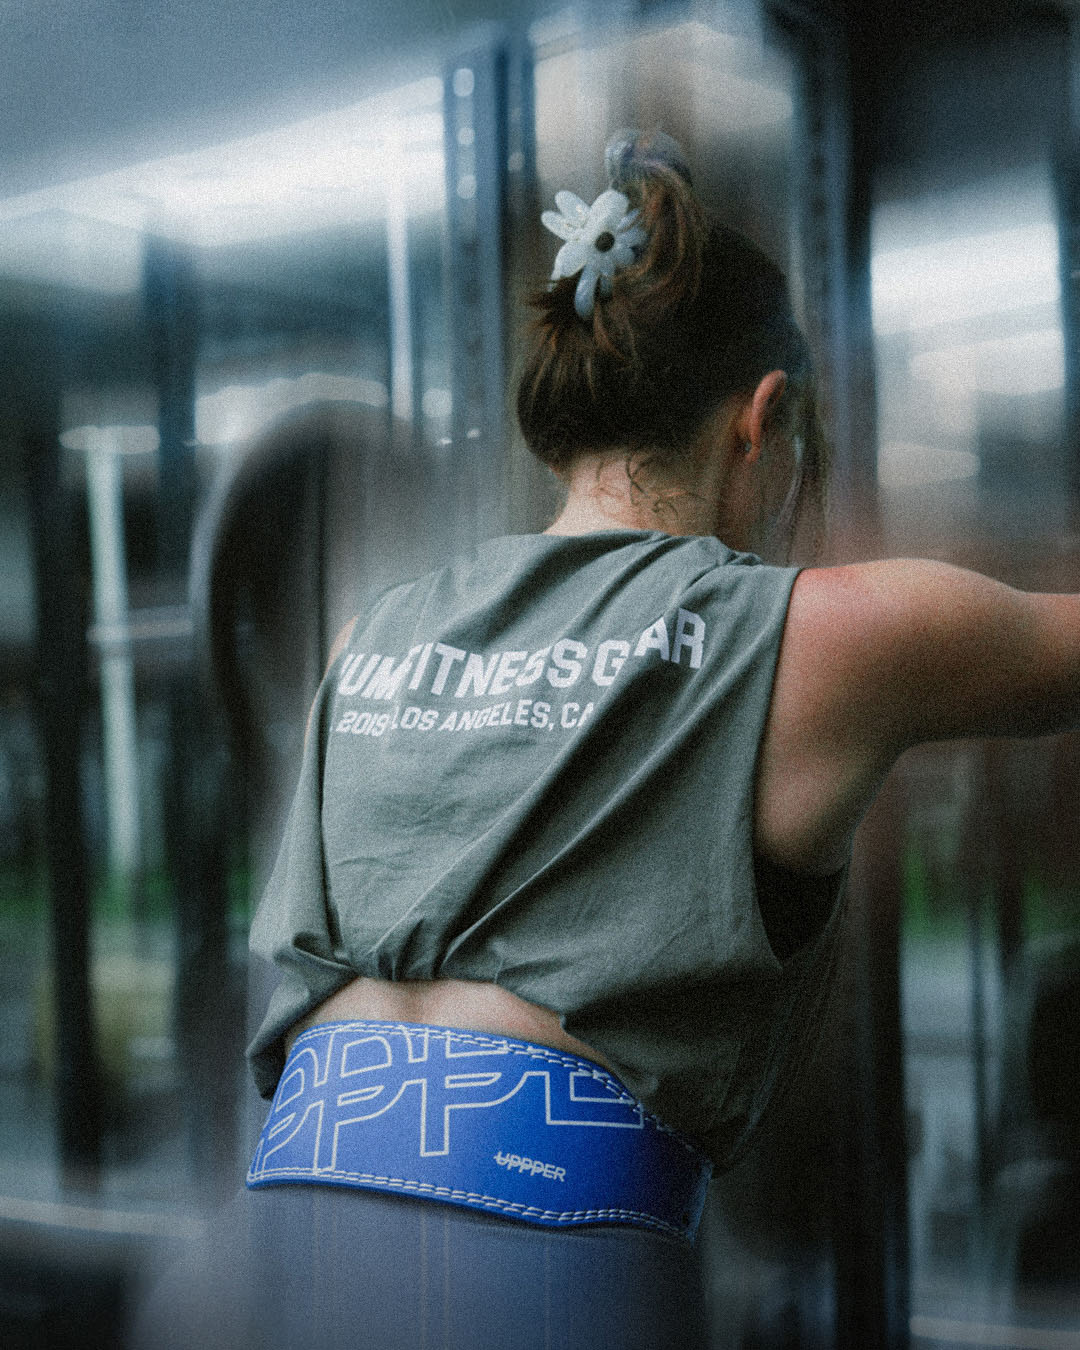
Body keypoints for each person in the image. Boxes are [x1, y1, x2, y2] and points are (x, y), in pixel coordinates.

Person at [134, 129, 1080, 1349]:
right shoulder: (804, 634)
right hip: (536, 1264)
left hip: (274, 1245)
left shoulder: (374, 633)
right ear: (762, 422)